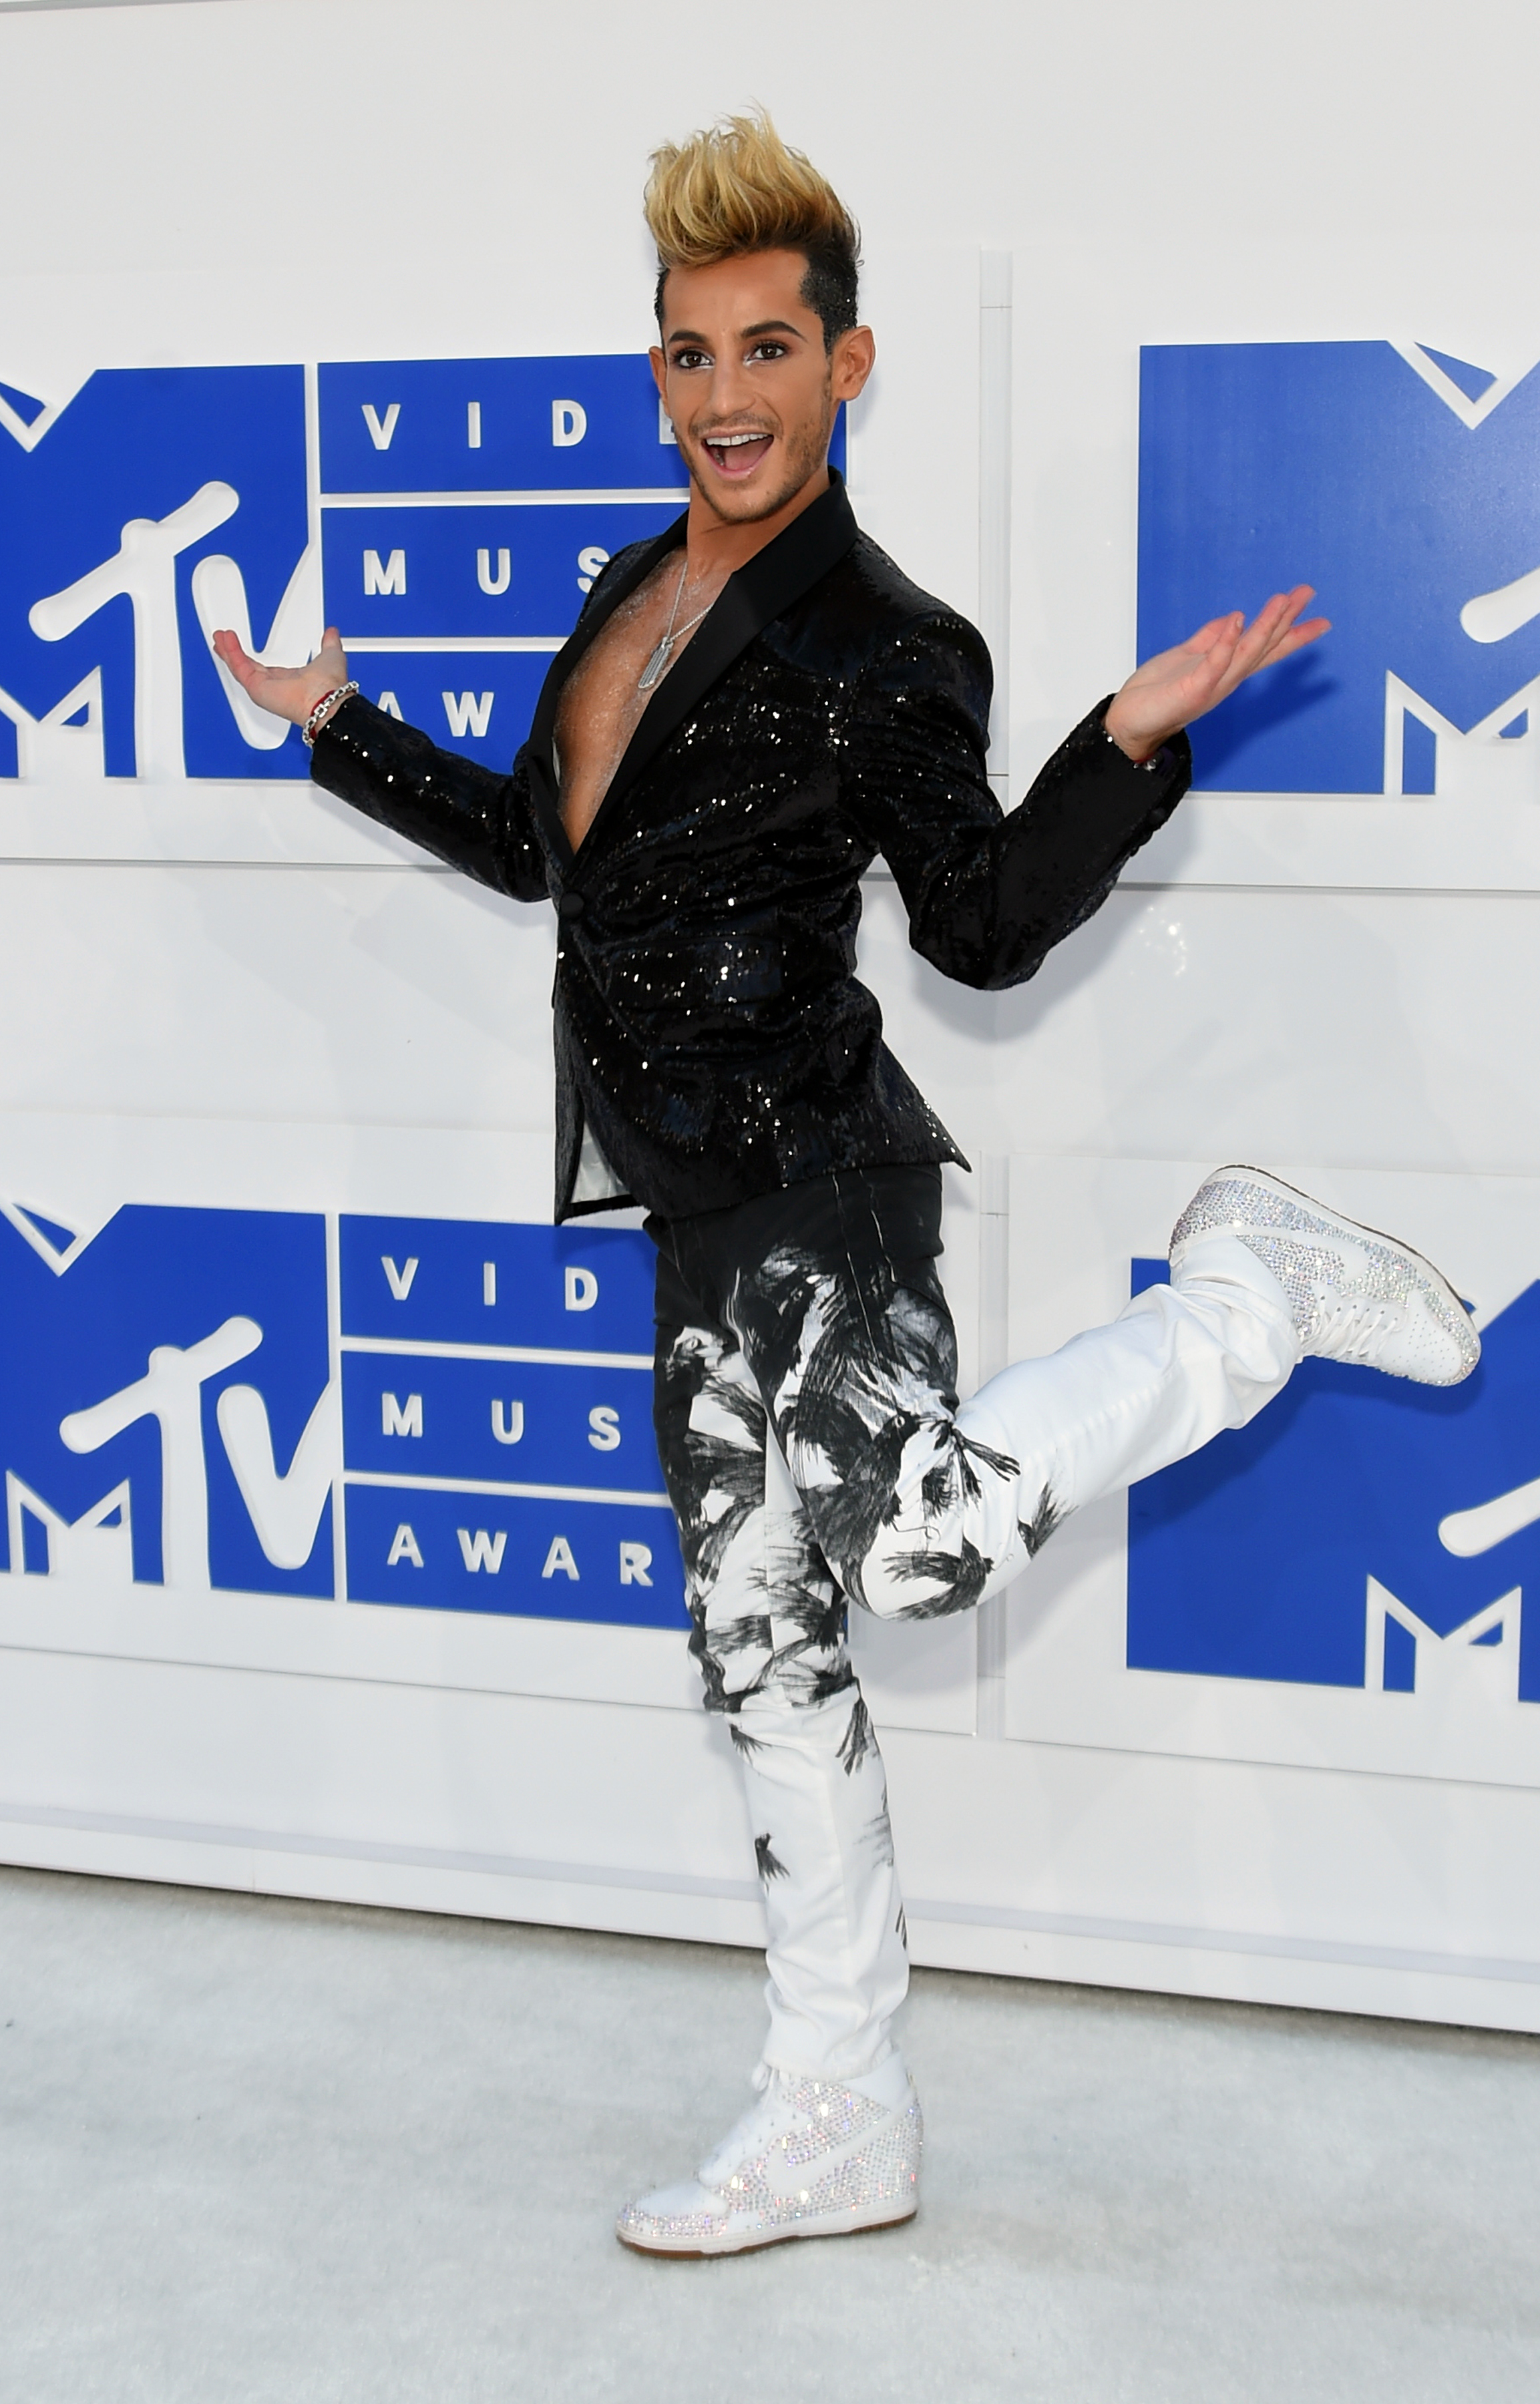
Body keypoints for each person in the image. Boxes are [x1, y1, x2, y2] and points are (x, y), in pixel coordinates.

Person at [215, 112, 1478, 2258]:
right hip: (684, 1201)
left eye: (767, 350)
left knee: (906, 1550)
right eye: (689, 352)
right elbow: (539, 852)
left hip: (819, 1179)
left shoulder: (885, 643)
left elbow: (976, 929)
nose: (725, 395)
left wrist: (1121, 745)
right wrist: (334, 719)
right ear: (659, 371)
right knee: (759, 1653)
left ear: (847, 363)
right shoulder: (629, 592)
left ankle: (1244, 1298)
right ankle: (838, 2114)